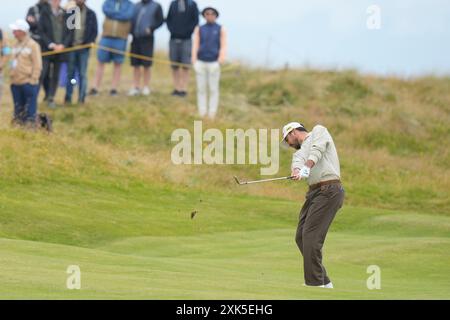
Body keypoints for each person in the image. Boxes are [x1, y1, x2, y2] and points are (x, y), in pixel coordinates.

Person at [282, 122, 345, 288]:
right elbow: (298, 161)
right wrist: (297, 171)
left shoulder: (319, 131)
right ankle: (324, 280)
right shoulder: (300, 152)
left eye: (287, 139)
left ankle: (315, 283)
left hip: (329, 189)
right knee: (301, 236)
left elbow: (318, 149)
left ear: (293, 132)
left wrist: (307, 167)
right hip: (315, 193)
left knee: (311, 235)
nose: (288, 144)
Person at [90, 0, 134, 97]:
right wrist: (120, 15)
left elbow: (127, 16)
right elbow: (106, 11)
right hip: (106, 37)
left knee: (118, 64)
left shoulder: (130, 5)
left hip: (121, 38)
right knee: (100, 62)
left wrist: (114, 14)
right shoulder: (108, 2)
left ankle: (114, 88)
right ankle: (95, 87)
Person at [192, 7, 227, 119]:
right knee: (201, 89)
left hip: (214, 63)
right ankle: (202, 112)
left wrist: (220, 61)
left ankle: (212, 113)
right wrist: (194, 61)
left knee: (213, 89)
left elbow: (223, 46)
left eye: (212, 14)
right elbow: (195, 45)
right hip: (201, 62)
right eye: (207, 13)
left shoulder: (220, 28)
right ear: (204, 15)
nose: (210, 15)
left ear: (216, 15)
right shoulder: (199, 28)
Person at [38, 0, 74, 108]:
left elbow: (70, 32)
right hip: (47, 49)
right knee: (43, 73)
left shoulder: (66, 13)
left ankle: (51, 97)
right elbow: (41, 31)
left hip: (60, 50)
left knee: (55, 75)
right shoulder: (44, 12)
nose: (55, 1)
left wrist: (63, 45)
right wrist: (51, 44)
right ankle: (36, 96)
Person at [9, 20, 42, 126]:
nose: (13, 32)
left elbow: (37, 64)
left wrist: (33, 80)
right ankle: (19, 129)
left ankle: (30, 129)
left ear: (22, 31)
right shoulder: (14, 45)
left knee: (30, 111)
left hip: (28, 82)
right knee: (18, 109)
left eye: (15, 30)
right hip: (15, 83)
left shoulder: (33, 45)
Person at [64, 0, 98, 105]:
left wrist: (88, 43)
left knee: (82, 74)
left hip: (84, 49)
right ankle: (68, 98)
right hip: (72, 48)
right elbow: (68, 30)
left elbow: (94, 31)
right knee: (71, 74)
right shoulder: (71, 12)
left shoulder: (91, 14)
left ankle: (81, 99)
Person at [128, 0, 164, 97]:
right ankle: (135, 87)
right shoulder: (136, 6)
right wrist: (131, 31)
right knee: (135, 64)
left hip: (147, 39)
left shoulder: (156, 6)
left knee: (146, 64)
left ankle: (146, 87)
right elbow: (131, 20)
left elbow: (160, 20)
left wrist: (151, 28)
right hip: (135, 38)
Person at [166, 0, 199, 97]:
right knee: (174, 65)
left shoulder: (192, 4)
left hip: (186, 39)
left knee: (185, 65)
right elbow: (168, 19)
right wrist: (172, 31)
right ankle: (177, 88)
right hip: (173, 38)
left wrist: (188, 32)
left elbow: (195, 20)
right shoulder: (173, 4)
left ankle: (183, 89)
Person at [26, 0, 51, 97]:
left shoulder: (51, 10)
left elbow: (49, 27)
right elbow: (29, 23)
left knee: (46, 72)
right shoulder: (32, 9)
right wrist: (41, 26)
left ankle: (48, 95)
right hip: (35, 44)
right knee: (36, 71)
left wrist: (37, 24)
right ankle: (34, 95)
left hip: (47, 46)